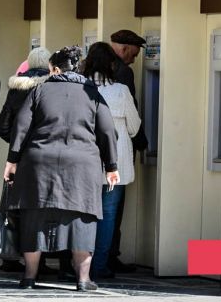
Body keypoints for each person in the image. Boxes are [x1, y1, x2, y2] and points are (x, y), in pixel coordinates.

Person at [3, 46, 119, 291]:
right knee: (82, 219)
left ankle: (29, 277)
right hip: (82, 165)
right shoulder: (92, 92)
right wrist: (112, 166)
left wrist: (12, 160)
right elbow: (108, 130)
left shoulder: (40, 90)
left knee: (34, 218)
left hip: (39, 162)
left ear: (54, 69)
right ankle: (84, 280)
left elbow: (21, 127)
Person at [82, 42, 141, 279]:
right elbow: (135, 127)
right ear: (111, 64)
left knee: (83, 213)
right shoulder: (120, 91)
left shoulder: (82, 89)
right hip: (116, 160)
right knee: (108, 213)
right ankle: (99, 266)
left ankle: (79, 266)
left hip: (86, 157)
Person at [0, 46, 51, 273]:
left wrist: (16, 143)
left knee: (12, 207)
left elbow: (2, 126)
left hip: (17, 157)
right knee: (39, 208)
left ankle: (9, 256)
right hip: (42, 155)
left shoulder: (16, 86)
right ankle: (40, 261)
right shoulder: (51, 87)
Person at [108, 29, 149, 274]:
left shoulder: (89, 68)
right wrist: (142, 143)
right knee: (114, 207)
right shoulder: (123, 73)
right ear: (123, 50)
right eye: (133, 54)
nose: (133, 60)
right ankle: (109, 256)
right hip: (118, 152)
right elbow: (130, 110)